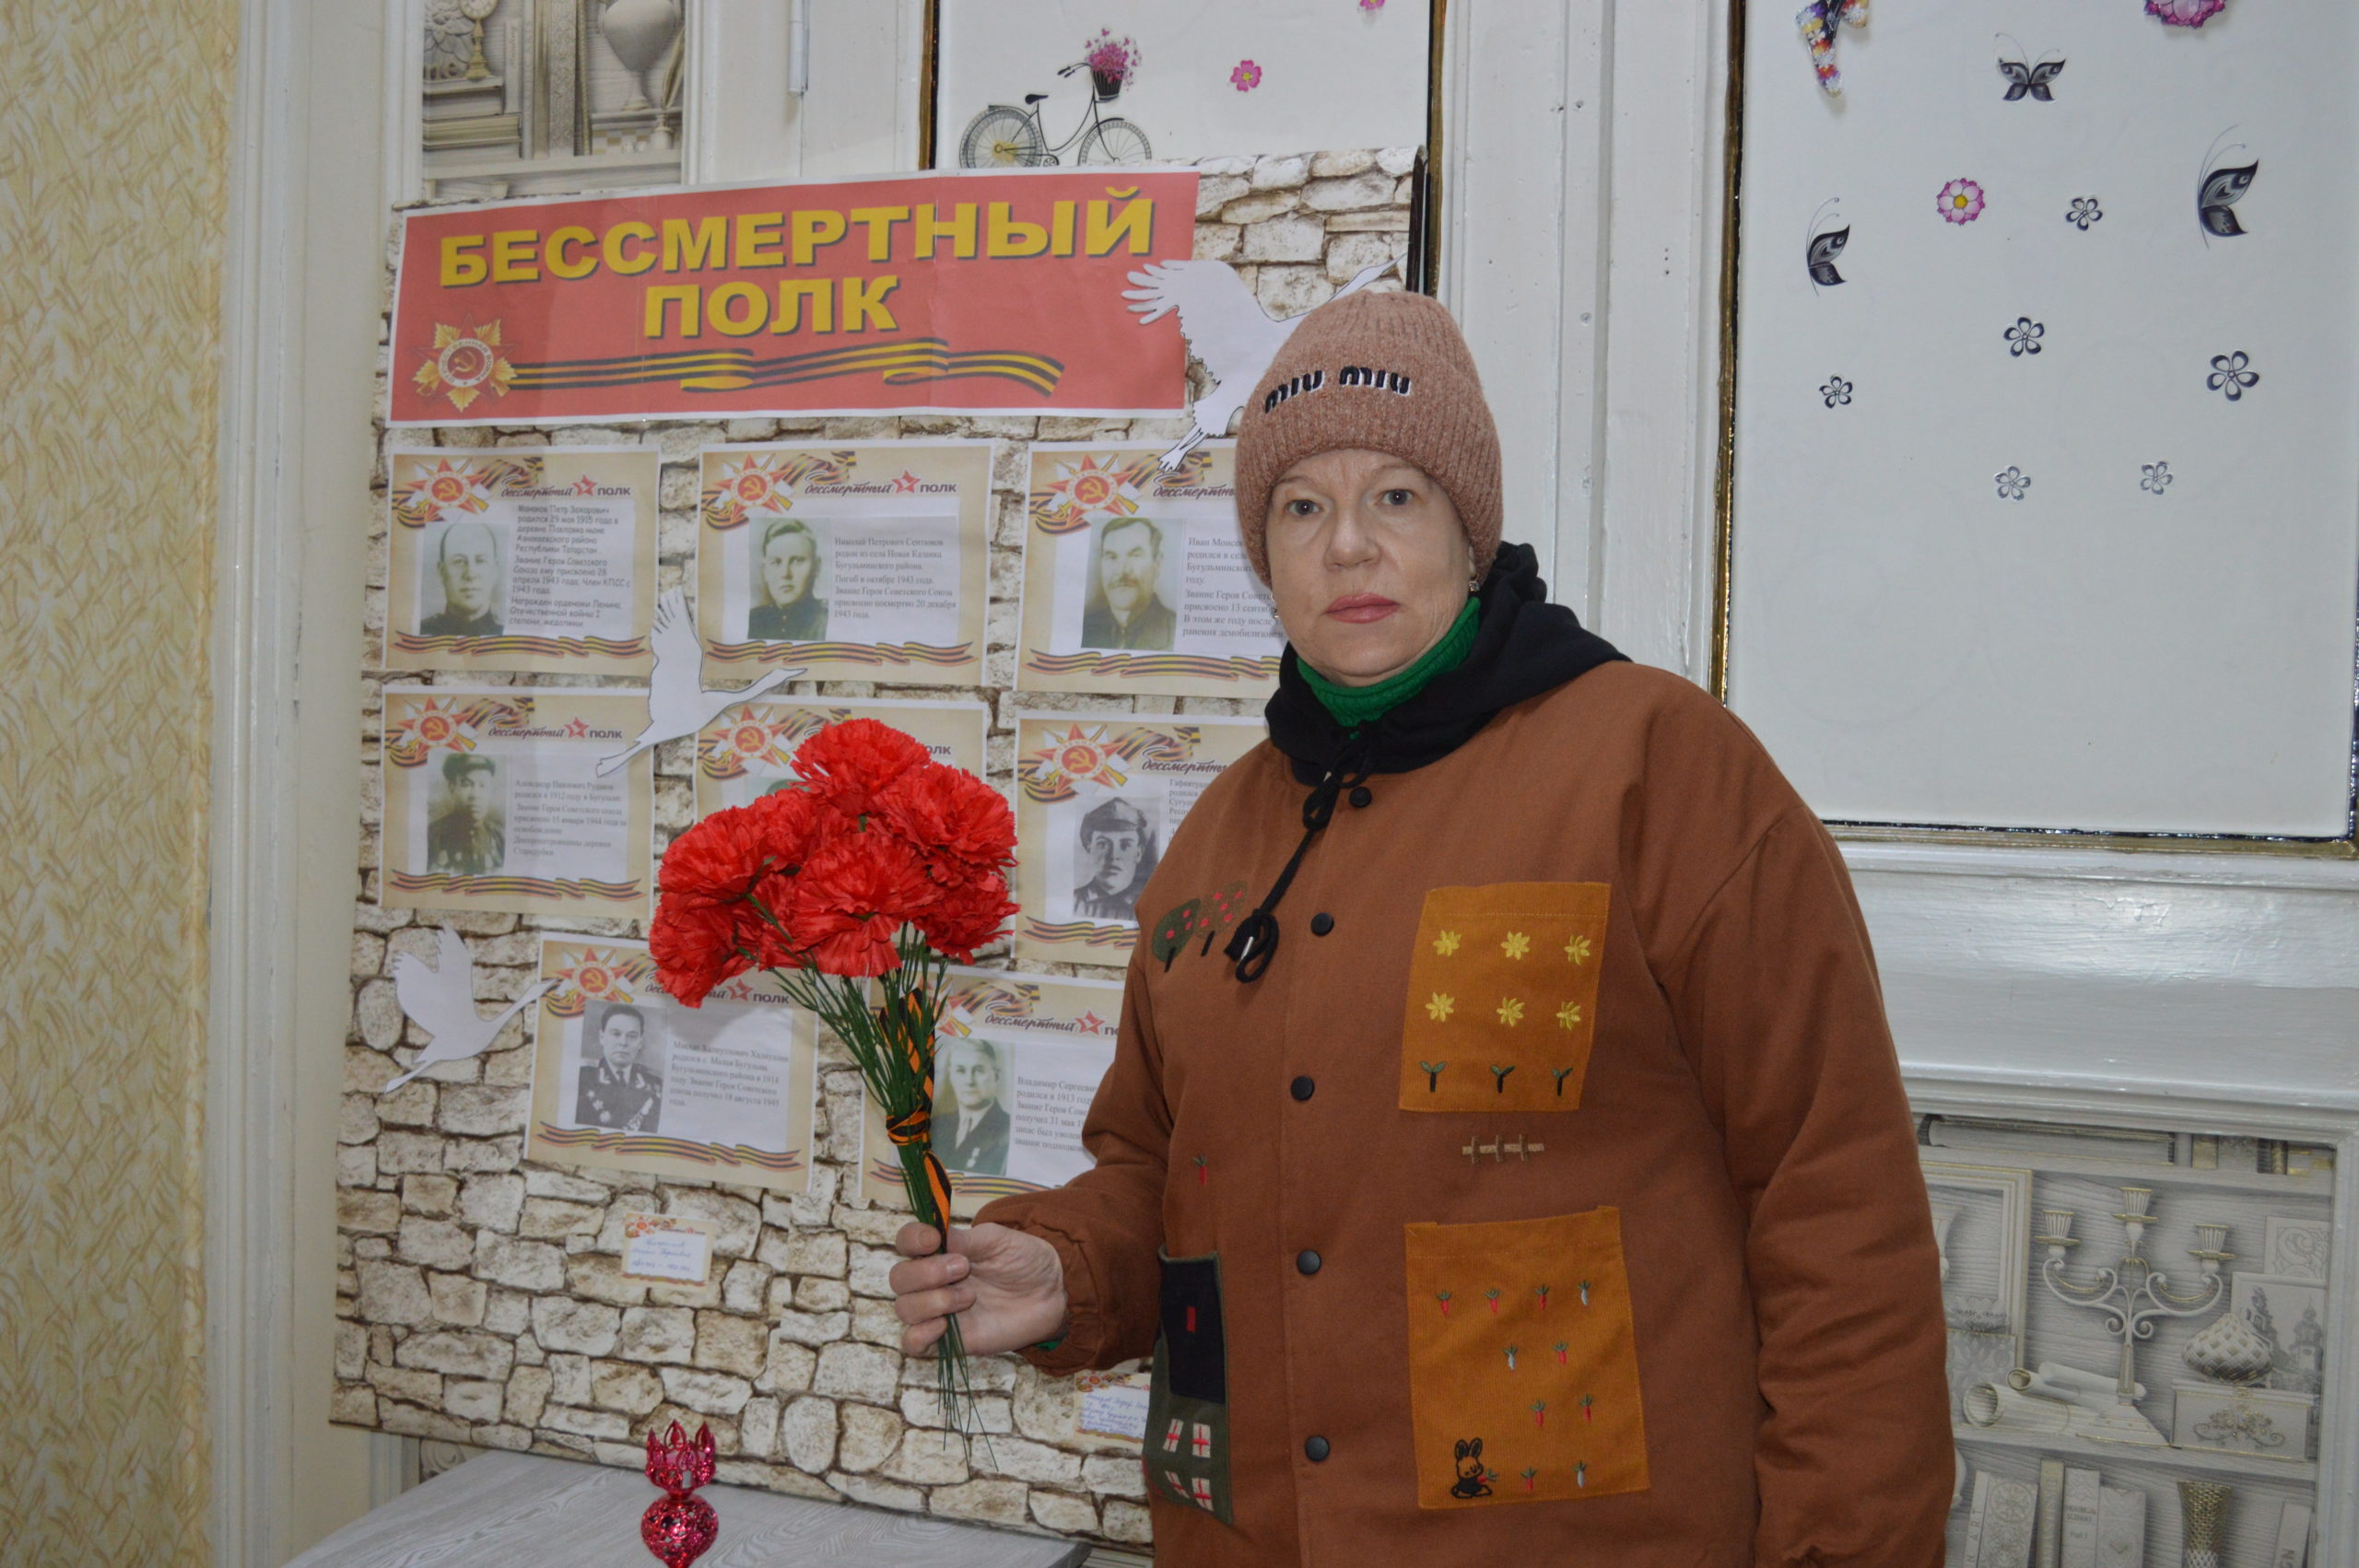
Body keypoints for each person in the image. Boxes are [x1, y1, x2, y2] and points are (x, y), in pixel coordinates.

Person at [889, 290, 1953, 1564]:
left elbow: (1836, 1208)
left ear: (1468, 527)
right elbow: (1154, 1173)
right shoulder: (1216, 843)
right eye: (1301, 507)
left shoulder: (1660, 769)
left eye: (1395, 496)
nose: (1348, 546)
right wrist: (1068, 1271)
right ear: (1264, 556)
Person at [1079, 515, 1177, 650]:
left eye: (1135, 555)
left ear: (1157, 563)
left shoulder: (1176, 630)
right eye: (1112, 557)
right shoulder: (1085, 628)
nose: (1121, 571)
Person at [574, 1003, 662, 1133]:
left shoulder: (655, 1085)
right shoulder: (581, 1077)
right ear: (602, 1038)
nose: (623, 1042)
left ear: (640, 1043)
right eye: (616, 1034)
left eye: (632, 1036)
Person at [1070, 796, 1158, 923]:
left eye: (1125, 845)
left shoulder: (1152, 906)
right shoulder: (1071, 902)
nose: (1113, 856)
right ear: (1090, 849)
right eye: (1103, 844)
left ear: (1138, 853)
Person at [933, 1036, 1012, 1176]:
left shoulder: (1009, 1130)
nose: (969, 1081)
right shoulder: (936, 1125)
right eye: (960, 1071)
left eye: (979, 1070)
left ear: (996, 1076)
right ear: (951, 1076)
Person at [745, 517, 829, 641]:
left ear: (817, 567)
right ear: (765, 571)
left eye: (797, 561)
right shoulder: (753, 621)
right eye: (776, 562)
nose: (785, 573)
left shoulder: (826, 620)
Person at [420, 520, 503, 637]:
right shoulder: (423, 631)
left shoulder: (509, 634)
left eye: (480, 561)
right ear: (442, 571)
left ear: (494, 570)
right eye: (459, 561)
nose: (470, 575)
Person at [426, 754, 503, 876]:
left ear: (490, 791)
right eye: (466, 784)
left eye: (482, 785)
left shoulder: (499, 838)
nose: (475, 795)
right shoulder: (431, 836)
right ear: (452, 788)